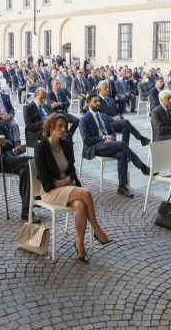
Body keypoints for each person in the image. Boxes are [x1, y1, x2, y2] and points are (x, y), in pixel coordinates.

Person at [35, 113, 112, 264]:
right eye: (60, 126)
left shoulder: (66, 144)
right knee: (87, 193)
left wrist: (68, 180)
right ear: (50, 128)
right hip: (50, 191)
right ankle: (97, 230)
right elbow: (45, 179)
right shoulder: (41, 148)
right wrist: (64, 182)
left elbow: (72, 170)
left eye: (66, 126)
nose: (64, 129)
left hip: (67, 186)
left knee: (81, 205)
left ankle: (80, 245)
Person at [79, 94, 151, 197]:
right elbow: (86, 140)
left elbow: (112, 132)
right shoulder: (84, 119)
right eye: (95, 101)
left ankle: (121, 187)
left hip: (107, 145)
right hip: (95, 147)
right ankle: (142, 167)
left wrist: (111, 138)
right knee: (122, 144)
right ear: (88, 104)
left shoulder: (103, 116)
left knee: (122, 154)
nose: (98, 103)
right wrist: (104, 138)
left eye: (98, 101)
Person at [97, 80, 150, 146]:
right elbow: (99, 116)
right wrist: (113, 118)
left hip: (116, 122)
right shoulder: (97, 100)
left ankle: (125, 147)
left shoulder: (110, 99)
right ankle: (141, 138)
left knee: (126, 128)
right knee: (125, 122)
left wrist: (119, 116)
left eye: (108, 87)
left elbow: (118, 112)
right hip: (107, 124)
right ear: (100, 89)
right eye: (105, 88)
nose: (107, 89)